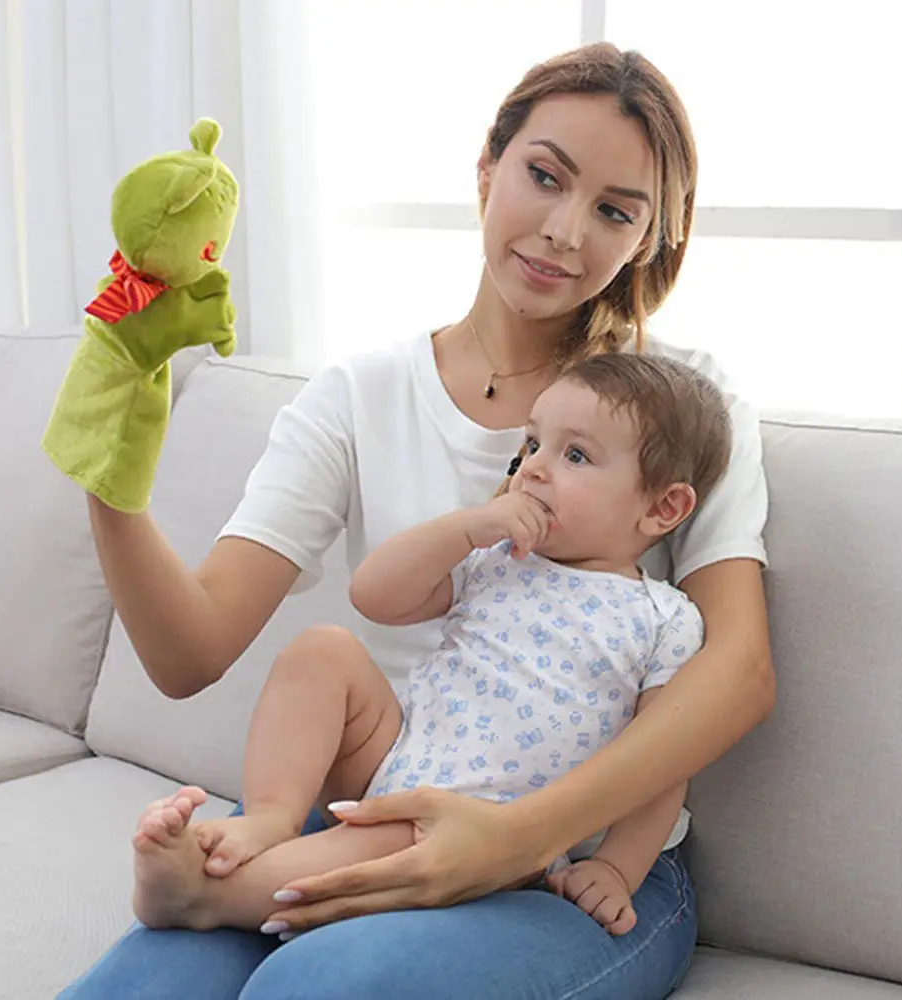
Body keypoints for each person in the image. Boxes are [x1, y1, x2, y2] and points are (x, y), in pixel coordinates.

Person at [59, 40, 773, 1000]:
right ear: (487, 170)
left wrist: (519, 837)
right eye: (543, 176)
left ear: (647, 238)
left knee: (313, 988)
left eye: (613, 210)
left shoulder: (682, 409)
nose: (565, 231)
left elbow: (737, 674)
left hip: (576, 859)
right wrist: (112, 469)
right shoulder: (361, 393)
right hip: (370, 792)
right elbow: (189, 652)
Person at [128, 352, 732, 945]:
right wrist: (467, 528)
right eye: (532, 444)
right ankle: (269, 816)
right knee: (324, 650)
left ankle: (200, 898)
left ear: (663, 507)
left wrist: (615, 869)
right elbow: (374, 594)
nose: (534, 469)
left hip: (483, 830)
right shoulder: (498, 559)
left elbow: (663, 764)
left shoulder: (664, 620)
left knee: (389, 843)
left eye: (574, 455)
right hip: (393, 760)